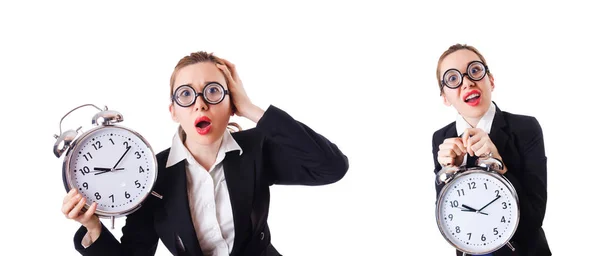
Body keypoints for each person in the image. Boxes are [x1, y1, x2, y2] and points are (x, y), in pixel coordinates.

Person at [61, 51, 349, 256]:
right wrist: (93, 227)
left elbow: (331, 167)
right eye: (185, 94)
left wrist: (250, 109)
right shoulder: (150, 176)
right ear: (173, 111)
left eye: (213, 92)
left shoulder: (256, 150)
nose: (200, 104)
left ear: (231, 102)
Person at [431, 44, 551, 255]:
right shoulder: (441, 138)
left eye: (475, 71)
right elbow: (449, 217)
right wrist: (448, 174)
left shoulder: (526, 128)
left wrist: (498, 165)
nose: (467, 82)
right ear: (444, 98)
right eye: (452, 79)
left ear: (491, 80)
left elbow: (534, 218)